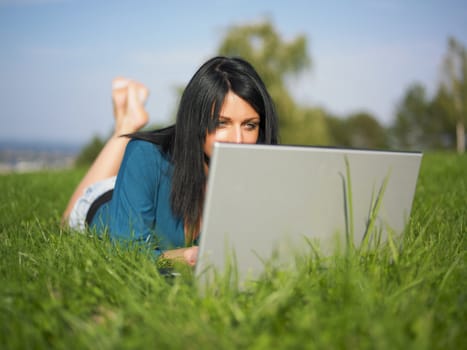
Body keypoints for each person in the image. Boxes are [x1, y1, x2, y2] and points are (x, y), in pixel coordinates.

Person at [62, 56, 279, 266]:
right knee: (67, 220)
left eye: (249, 125)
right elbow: (126, 251)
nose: (238, 140)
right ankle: (127, 124)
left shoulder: (254, 172)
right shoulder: (145, 155)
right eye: (222, 123)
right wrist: (184, 258)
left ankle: (128, 119)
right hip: (105, 200)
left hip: (145, 185)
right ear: (196, 121)